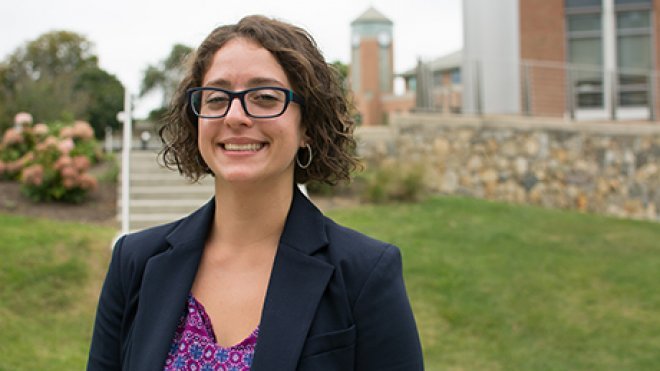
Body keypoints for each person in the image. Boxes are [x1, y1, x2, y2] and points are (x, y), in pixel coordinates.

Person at [87, 15, 423, 371]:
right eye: (216, 98)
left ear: (307, 125)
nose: (235, 115)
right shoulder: (134, 263)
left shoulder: (364, 274)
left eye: (264, 97)